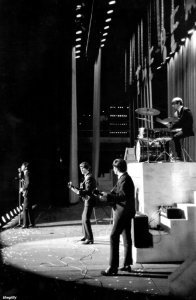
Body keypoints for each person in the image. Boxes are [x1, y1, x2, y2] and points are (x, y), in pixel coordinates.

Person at [99, 158, 135, 276]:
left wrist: (108, 197)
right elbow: (116, 192)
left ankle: (113, 267)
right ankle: (126, 264)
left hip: (122, 212)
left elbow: (122, 196)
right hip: (127, 212)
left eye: (113, 168)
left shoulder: (124, 179)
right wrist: (105, 194)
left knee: (114, 236)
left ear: (115, 168)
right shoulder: (124, 178)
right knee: (126, 237)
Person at [68, 162, 97, 244]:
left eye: (83, 168)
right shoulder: (86, 177)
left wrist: (79, 192)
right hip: (87, 200)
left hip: (89, 200)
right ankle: (86, 236)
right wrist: (72, 187)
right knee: (83, 217)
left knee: (86, 219)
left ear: (87, 169)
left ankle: (90, 239)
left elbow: (88, 191)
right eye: (80, 168)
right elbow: (82, 190)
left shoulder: (89, 178)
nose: (81, 170)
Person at [20, 162, 35, 229]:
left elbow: (28, 183)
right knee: (29, 208)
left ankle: (25, 224)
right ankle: (32, 223)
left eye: (22, 166)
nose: (21, 167)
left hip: (27, 193)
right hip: (30, 192)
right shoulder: (27, 173)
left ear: (25, 167)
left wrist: (22, 189)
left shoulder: (27, 173)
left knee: (25, 208)